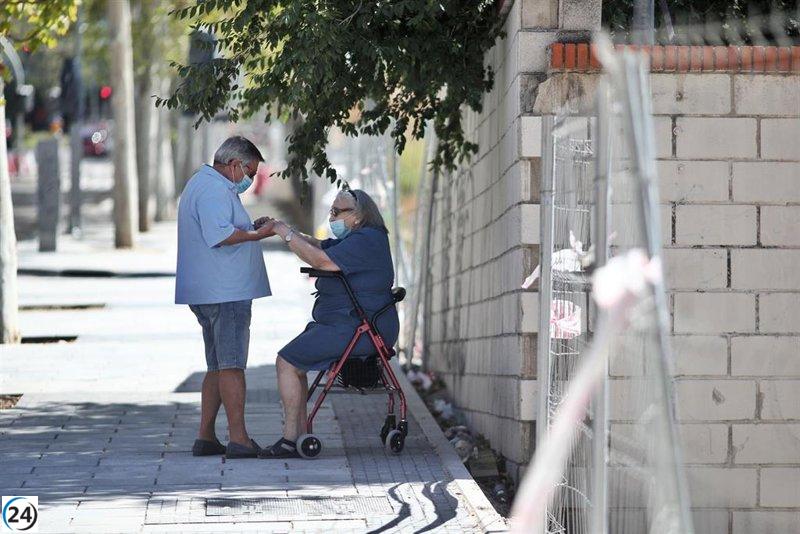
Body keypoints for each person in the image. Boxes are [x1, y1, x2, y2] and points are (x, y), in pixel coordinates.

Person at [254, 187, 399, 458]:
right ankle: (295, 436)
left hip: (357, 329)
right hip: (350, 324)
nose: (331, 217)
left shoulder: (367, 239)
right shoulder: (361, 237)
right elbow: (319, 245)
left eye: (337, 212)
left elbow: (322, 260)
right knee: (293, 362)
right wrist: (284, 229)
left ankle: (290, 439)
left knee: (287, 361)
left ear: (357, 216)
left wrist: (284, 233)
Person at [175, 136, 275, 459]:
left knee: (217, 365)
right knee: (232, 365)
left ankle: (205, 436)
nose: (250, 179)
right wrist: (258, 233)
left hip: (213, 290)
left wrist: (250, 227)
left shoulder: (205, 185)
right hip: (224, 292)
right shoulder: (214, 189)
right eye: (250, 171)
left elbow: (226, 227)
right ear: (234, 165)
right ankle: (239, 438)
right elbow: (220, 235)